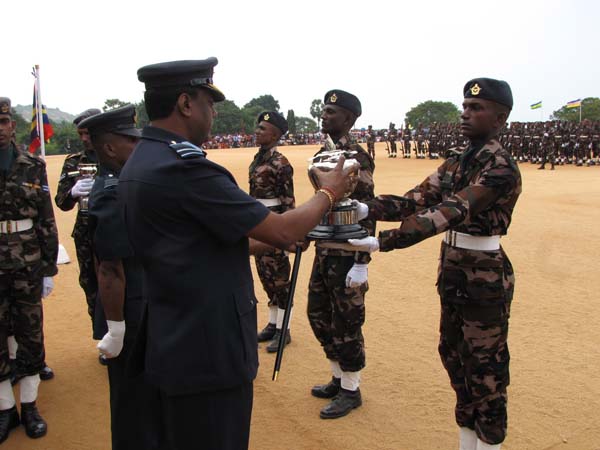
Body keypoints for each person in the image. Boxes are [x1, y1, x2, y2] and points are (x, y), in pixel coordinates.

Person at [118, 58, 353, 450]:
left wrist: (269, 241)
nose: (214, 112)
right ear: (185, 103)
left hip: (175, 334)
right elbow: (282, 227)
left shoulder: (144, 158)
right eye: (210, 101)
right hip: (208, 349)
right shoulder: (185, 169)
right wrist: (329, 193)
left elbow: (198, 244)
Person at [349, 78, 521, 450]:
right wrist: (365, 207)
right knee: (454, 356)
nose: (465, 113)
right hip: (456, 270)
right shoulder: (459, 160)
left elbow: (450, 210)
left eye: (477, 108)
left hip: (485, 275)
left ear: (500, 117)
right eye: (465, 106)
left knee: (486, 372)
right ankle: (466, 441)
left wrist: (385, 241)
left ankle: (490, 444)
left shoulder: (501, 167)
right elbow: (416, 199)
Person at [82, 105, 162, 450]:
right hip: (130, 310)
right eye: (130, 140)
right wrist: (116, 328)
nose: (137, 145)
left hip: (139, 301)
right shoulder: (113, 192)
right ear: (110, 148)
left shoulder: (125, 182)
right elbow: (110, 268)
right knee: (134, 401)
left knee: (148, 397)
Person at [307, 90, 375, 419]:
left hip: (348, 252)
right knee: (317, 313)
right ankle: (337, 376)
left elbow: (367, 212)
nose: (324, 116)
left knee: (347, 322)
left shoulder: (357, 156)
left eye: (331, 112)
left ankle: (351, 388)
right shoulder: (323, 153)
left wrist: (362, 262)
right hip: (324, 248)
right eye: (324, 111)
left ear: (348, 119)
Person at [0, 97, 58, 442]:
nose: (0, 128)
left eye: (4, 121)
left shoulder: (32, 165)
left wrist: (49, 266)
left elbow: (46, 219)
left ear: (12, 125)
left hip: (27, 262)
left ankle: (30, 406)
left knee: (30, 335)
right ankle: (6, 409)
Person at [251, 111, 296, 353]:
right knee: (266, 276)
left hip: (275, 224)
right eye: (257, 128)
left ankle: (283, 329)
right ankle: (272, 323)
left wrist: (288, 232)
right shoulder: (258, 159)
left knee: (280, 279)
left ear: (275, 134)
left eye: (262, 128)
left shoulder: (281, 163)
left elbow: (288, 201)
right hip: (259, 226)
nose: (257, 131)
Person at [55, 109, 101, 340]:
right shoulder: (73, 162)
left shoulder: (119, 155)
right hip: (86, 234)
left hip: (116, 228)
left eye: (88, 132)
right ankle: (102, 336)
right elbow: (61, 202)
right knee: (90, 283)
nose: (84, 138)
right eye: (80, 133)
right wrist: (73, 192)